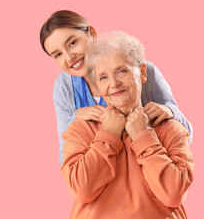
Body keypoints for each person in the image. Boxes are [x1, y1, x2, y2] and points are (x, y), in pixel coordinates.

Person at [61, 31, 194, 219]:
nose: (113, 84)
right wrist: (108, 136)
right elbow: (82, 190)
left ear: (142, 73)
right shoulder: (80, 130)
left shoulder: (171, 129)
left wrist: (144, 136)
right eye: (103, 77)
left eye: (121, 71)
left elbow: (173, 195)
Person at [40, 10, 193, 165]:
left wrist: (170, 112)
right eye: (57, 54)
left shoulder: (138, 70)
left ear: (92, 33)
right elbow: (65, 159)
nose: (68, 57)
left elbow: (187, 136)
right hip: (99, 178)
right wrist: (76, 118)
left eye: (72, 43)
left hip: (149, 172)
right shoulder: (64, 87)